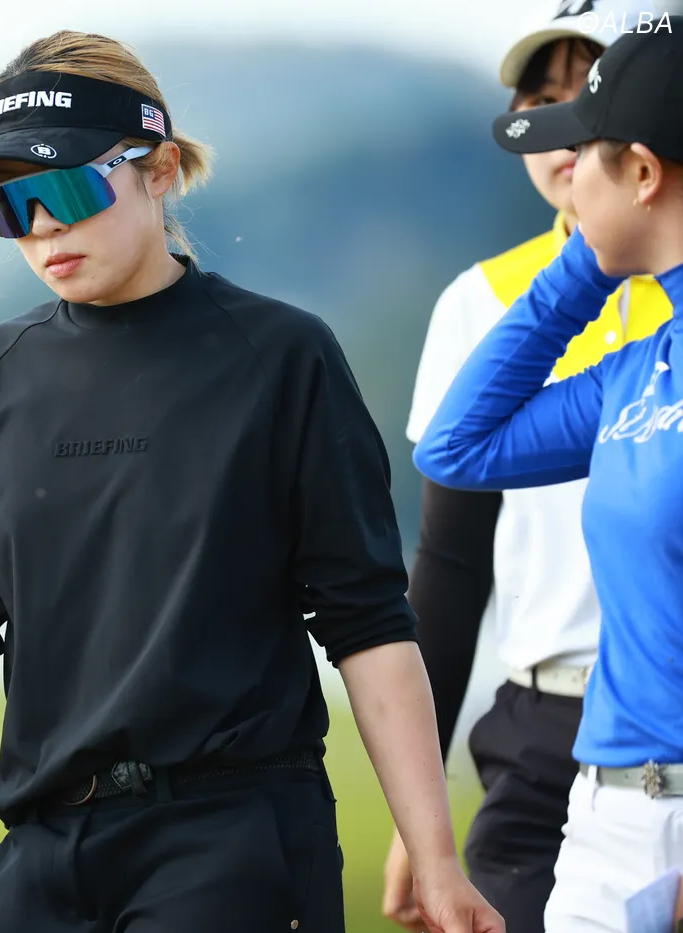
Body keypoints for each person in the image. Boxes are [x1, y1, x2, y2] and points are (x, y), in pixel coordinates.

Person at [0, 29, 504, 933]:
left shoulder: (282, 359)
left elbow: (368, 621)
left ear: (157, 169)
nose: (42, 227)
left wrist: (434, 857)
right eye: (11, 204)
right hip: (39, 859)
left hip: (234, 842)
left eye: (67, 188)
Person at [381, 4, 673, 931]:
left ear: (642, 165)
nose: (564, 155)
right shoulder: (617, 354)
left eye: (586, 128)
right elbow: (456, 476)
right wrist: (586, 262)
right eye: (541, 107)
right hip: (583, 760)